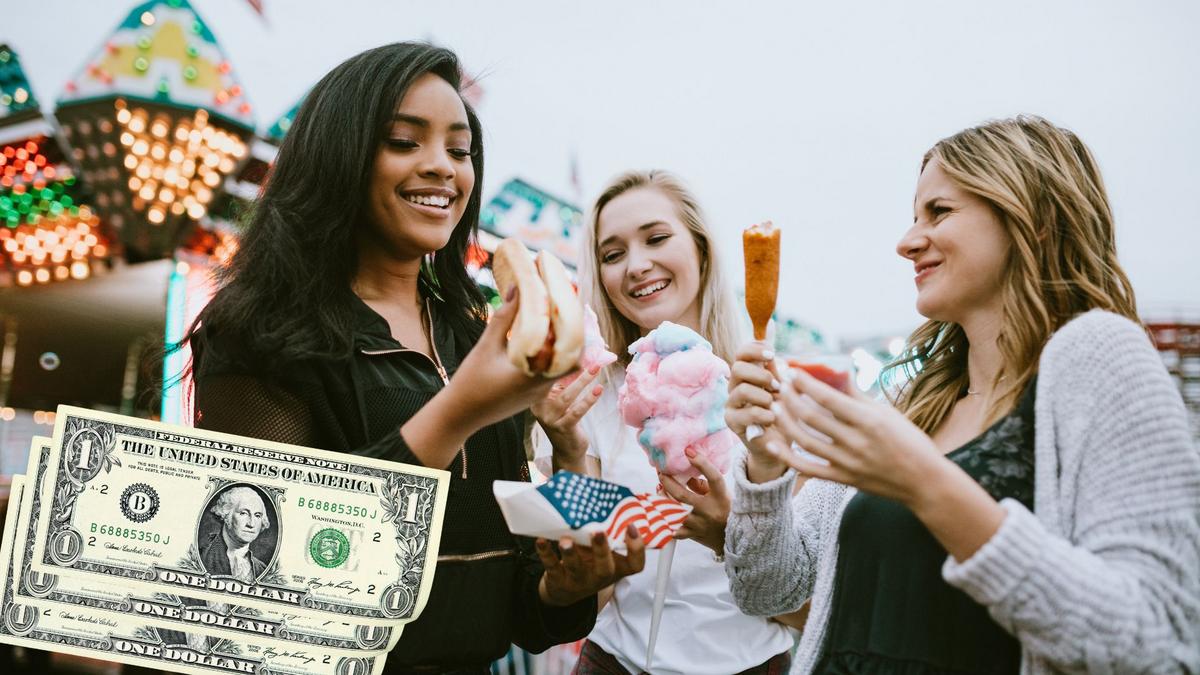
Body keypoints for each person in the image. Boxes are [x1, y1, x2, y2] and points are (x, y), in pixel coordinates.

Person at [184, 42, 644, 673]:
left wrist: (563, 567)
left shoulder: (470, 335)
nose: (443, 169)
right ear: (338, 155)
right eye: (405, 141)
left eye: (460, 151)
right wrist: (457, 411)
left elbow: (520, 610)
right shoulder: (258, 331)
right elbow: (265, 578)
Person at [723, 115, 1200, 674]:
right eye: (912, 217)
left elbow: (1155, 643)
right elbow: (768, 591)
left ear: (1035, 219)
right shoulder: (910, 407)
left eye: (939, 212)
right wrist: (764, 465)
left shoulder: (1101, 357)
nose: (906, 242)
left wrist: (927, 484)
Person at [533, 170, 797, 675]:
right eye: (612, 255)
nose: (636, 266)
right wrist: (568, 449)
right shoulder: (590, 396)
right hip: (619, 661)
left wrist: (726, 537)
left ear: (700, 248)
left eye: (656, 238)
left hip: (752, 664)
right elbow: (587, 589)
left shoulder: (765, 390)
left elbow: (804, 597)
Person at [200, 486, 270, 583]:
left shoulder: (262, 569)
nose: (251, 524)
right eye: (244, 513)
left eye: (257, 515)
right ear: (226, 514)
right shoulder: (201, 557)